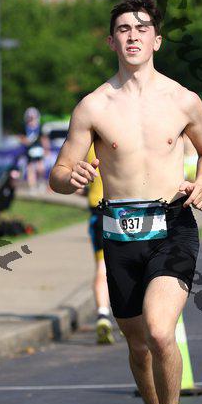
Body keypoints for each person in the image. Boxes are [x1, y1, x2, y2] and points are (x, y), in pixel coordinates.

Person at [49, 0, 202, 404]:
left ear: (156, 40)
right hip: (119, 231)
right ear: (111, 41)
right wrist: (70, 177)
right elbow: (58, 173)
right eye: (123, 28)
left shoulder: (183, 99)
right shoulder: (93, 106)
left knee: (160, 329)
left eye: (142, 28)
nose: (132, 35)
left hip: (172, 225)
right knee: (138, 344)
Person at [83, 143, 115, 345]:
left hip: (98, 208)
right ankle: (135, 316)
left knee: (101, 266)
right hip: (123, 206)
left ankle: (103, 314)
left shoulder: (88, 144)